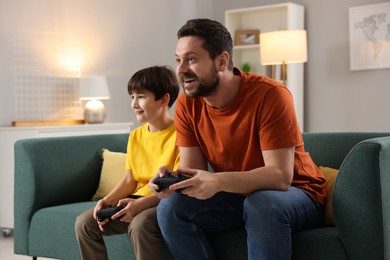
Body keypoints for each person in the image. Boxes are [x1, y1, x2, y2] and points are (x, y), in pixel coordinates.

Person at [149, 19, 327, 260]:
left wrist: (218, 181)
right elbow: (195, 172)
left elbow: (280, 177)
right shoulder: (186, 104)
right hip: (238, 195)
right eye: (178, 60)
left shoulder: (271, 95)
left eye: (191, 59)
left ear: (222, 61)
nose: (180, 69)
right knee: (171, 208)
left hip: (298, 193)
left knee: (261, 203)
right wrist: (174, 181)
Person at [75, 65, 180, 260]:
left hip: (162, 203)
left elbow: (175, 189)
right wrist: (106, 201)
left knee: (140, 224)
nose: (134, 104)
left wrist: (138, 206)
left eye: (141, 97)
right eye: (132, 97)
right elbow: (129, 180)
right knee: (84, 223)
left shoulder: (181, 135)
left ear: (164, 99)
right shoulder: (136, 136)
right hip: (135, 199)